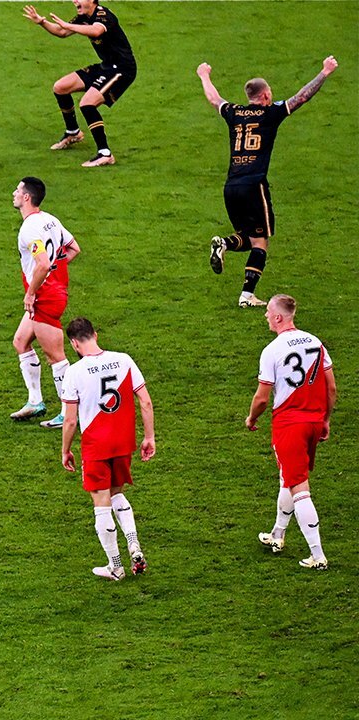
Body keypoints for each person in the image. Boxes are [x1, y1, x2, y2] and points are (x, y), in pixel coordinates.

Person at [197, 57, 339, 308]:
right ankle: (246, 295)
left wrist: (204, 75)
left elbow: (214, 99)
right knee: (260, 242)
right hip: (255, 185)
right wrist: (324, 72)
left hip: (231, 186)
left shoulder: (234, 112)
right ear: (264, 96)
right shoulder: (270, 113)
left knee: (246, 236)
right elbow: (301, 97)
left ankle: (224, 244)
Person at [60, 317, 155, 580]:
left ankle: (116, 566)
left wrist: (65, 449)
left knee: (101, 504)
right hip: (123, 441)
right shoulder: (124, 359)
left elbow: (70, 419)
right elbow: (145, 402)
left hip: (96, 445)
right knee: (117, 494)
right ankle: (133, 542)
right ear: (96, 335)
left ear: (74, 343)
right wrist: (149, 437)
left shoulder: (75, 372)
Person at [245, 295, 335, 570]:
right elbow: (331, 387)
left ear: (279, 317)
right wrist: (326, 420)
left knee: (299, 486)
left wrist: (251, 418)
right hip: (314, 420)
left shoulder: (272, 350)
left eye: (268, 313)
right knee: (289, 475)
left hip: (289, 424)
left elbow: (262, 398)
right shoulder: (315, 341)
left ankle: (317, 555)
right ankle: (278, 534)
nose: (266, 317)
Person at [23, 0, 136, 167]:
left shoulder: (103, 15)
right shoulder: (84, 16)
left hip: (122, 69)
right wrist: (42, 22)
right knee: (61, 87)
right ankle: (73, 132)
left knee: (87, 104)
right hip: (105, 66)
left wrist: (69, 26)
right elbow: (61, 32)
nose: (74, 0)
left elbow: (96, 31)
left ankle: (105, 153)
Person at [8, 177, 81, 427]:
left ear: (27, 197)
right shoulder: (51, 220)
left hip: (45, 296)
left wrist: (32, 291)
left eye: (18, 190)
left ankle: (68, 413)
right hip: (53, 290)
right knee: (20, 341)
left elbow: (42, 263)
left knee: (56, 357)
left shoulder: (29, 228)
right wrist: (54, 272)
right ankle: (35, 401)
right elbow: (73, 249)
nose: (14, 193)